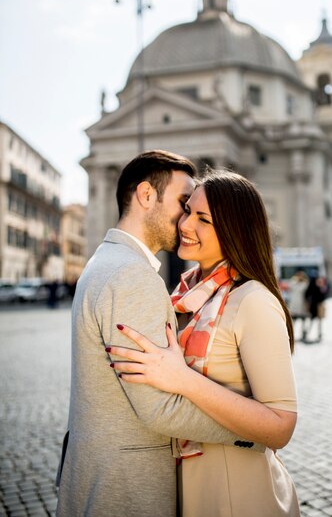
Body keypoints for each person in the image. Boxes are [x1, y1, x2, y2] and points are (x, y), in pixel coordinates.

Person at [56, 151, 263, 517]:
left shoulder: (104, 262)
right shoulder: (131, 275)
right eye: (184, 203)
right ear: (146, 196)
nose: (186, 220)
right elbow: (160, 409)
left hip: (100, 473)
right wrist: (250, 431)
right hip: (127, 487)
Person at [108, 169, 300, 517]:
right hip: (186, 488)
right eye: (187, 210)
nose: (184, 224)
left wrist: (182, 378)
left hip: (237, 494)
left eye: (203, 219)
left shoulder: (252, 300)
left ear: (234, 229)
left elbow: (281, 426)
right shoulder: (185, 296)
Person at [304, 274, 328, 342]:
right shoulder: (316, 287)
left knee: (314, 321)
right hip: (315, 307)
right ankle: (311, 333)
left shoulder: (313, 287)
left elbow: (306, 296)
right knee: (315, 321)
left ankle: (311, 333)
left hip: (314, 306)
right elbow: (323, 297)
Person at [288, 270, 310, 341]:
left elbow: (302, 287)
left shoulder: (304, 284)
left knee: (303, 322)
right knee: (293, 322)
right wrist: (295, 279)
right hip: (294, 307)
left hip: (302, 307)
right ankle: (291, 335)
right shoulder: (294, 283)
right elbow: (291, 285)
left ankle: (303, 335)